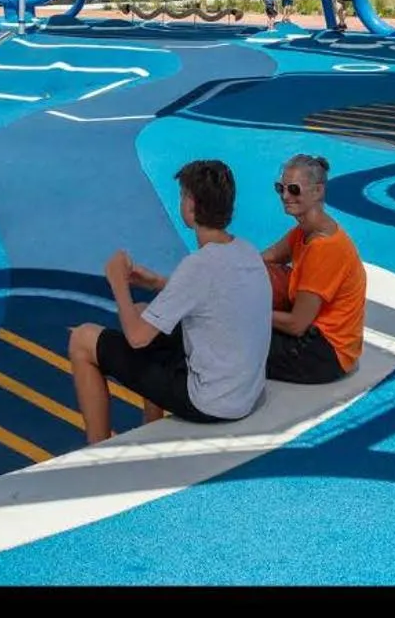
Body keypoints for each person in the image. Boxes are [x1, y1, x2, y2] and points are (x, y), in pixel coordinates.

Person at [66, 160, 269, 443]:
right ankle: (151, 422)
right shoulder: (247, 252)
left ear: (190, 206)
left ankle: (95, 446)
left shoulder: (197, 265)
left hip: (211, 402)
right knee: (143, 311)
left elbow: (137, 338)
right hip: (245, 391)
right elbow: (213, 294)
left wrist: (118, 283)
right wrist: (158, 283)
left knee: (83, 339)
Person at [261, 155, 367, 384]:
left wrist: (246, 311)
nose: (285, 196)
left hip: (324, 352)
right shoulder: (304, 232)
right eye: (280, 188)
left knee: (230, 337)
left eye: (294, 189)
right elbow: (260, 260)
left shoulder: (324, 247)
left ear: (318, 191)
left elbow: (297, 324)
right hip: (318, 339)